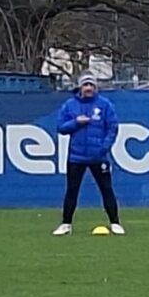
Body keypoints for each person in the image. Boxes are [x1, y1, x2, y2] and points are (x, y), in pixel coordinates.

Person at [53, 76, 126, 234]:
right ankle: (66, 224)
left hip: (98, 156)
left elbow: (112, 127)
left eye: (91, 85)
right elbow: (61, 127)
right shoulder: (70, 105)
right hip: (76, 156)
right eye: (85, 85)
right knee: (72, 189)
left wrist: (104, 147)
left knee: (106, 189)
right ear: (80, 87)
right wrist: (76, 122)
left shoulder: (105, 105)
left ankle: (115, 222)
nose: (88, 88)